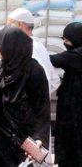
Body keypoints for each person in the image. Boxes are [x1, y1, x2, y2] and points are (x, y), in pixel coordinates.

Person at [0, 26, 51, 167]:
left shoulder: (34, 71)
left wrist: (39, 138)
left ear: (12, 46)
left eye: (1, 44)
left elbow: (42, 108)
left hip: (22, 133)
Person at [49, 22, 82, 167]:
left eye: (68, 41)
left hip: (75, 118)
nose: (65, 44)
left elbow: (56, 60)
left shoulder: (78, 55)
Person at [7, 8, 60, 95]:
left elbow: (42, 78)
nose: (7, 29)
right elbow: (54, 80)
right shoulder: (38, 45)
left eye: (9, 25)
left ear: (20, 24)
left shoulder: (29, 47)